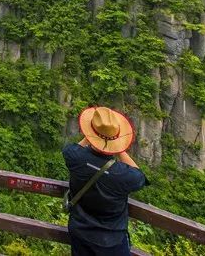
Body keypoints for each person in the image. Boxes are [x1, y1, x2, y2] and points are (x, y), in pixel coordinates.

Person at [62, 106, 148, 256]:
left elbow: (72, 148)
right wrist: (119, 148)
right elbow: (140, 176)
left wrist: (91, 136)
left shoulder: (75, 158)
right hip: (111, 241)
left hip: (80, 233)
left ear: (90, 134)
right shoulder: (122, 174)